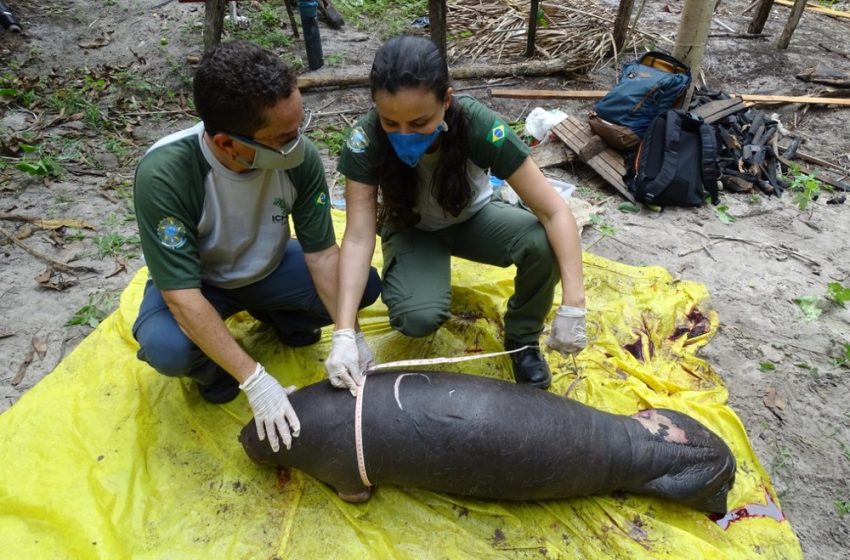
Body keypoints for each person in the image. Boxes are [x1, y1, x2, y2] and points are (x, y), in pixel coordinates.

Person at [132, 40, 381, 453]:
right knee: (167, 349)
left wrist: (347, 334)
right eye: (283, 137)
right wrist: (256, 381)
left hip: (269, 269)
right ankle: (220, 373)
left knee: (361, 288)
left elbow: (321, 255)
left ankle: (282, 319)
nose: (296, 143)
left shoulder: (299, 158)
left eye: (298, 128)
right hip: (201, 284)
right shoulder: (167, 173)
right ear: (227, 143)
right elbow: (181, 296)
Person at [325, 35, 587, 391]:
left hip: (474, 219)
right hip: (412, 228)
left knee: (543, 243)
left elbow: (555, 211)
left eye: (418, 123)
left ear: (446, 101)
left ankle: (523, 340)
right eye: (390, 123)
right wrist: (345, 332)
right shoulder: (365, 139)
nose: (404, 135)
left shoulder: (479, 125)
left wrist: (574, 304)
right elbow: (356, 237)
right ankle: (420, 275)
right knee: (416, 318)